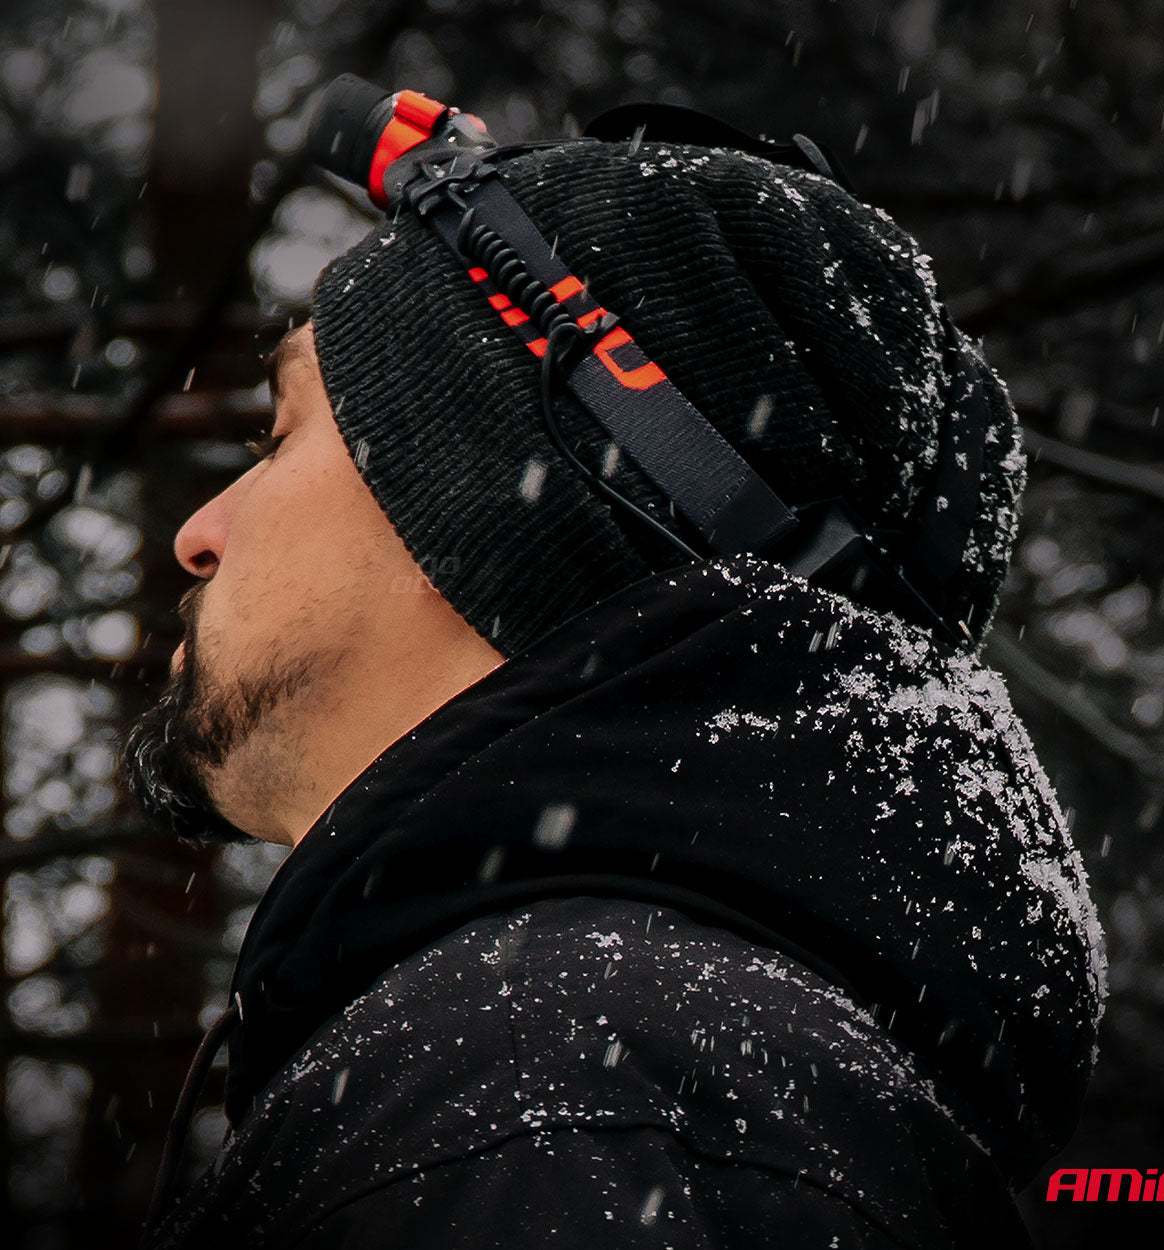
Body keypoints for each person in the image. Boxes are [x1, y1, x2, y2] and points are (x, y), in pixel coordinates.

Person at [123, 93, 1105, 1249]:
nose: (198, 531)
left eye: (281, 434)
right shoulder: (640, 1074)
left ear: (481, 505)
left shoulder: (546, 1097)